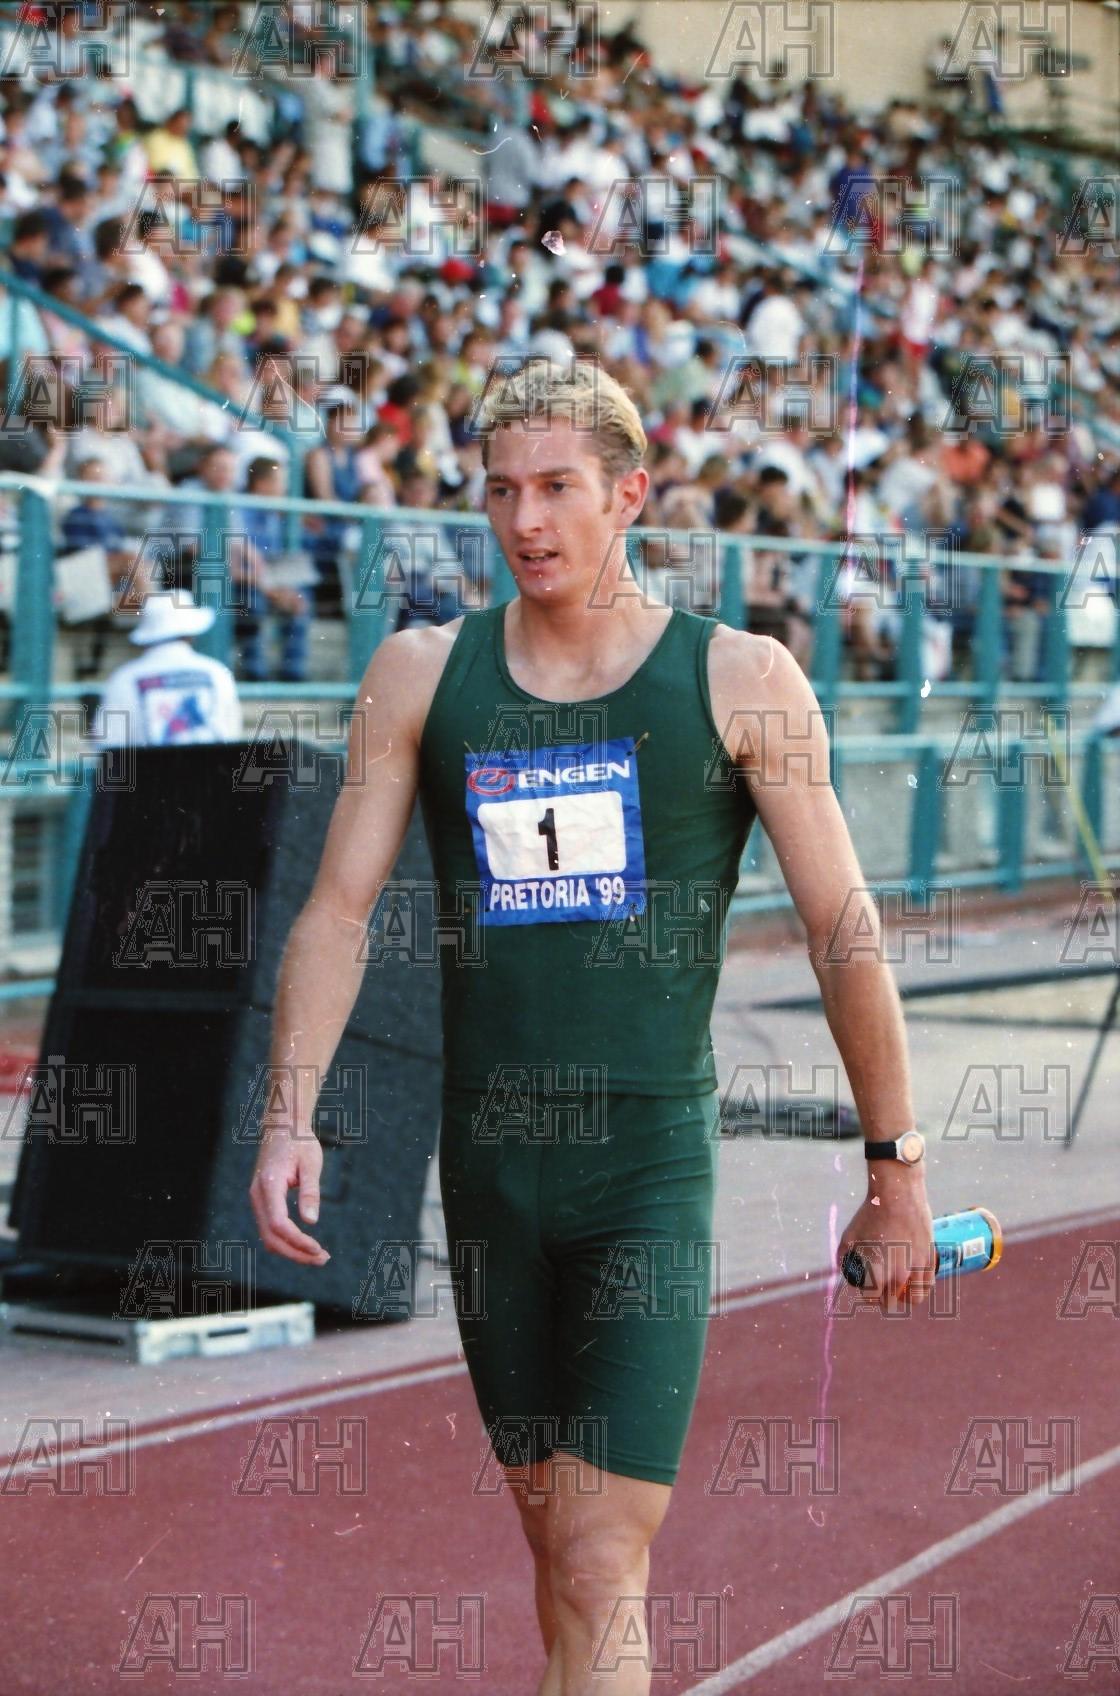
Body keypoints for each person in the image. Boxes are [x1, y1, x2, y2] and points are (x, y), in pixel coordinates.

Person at [249, 363, 936, 1695]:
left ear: (629, 495)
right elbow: (335, 912)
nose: (526, 520)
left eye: (559, 487)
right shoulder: (420, 673)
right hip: (490, 1170)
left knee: (598, 1555)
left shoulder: (740, 678)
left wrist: (894, 1165)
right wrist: (289, 1114)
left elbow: (844, 931)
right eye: (501, 491)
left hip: (643, 1171)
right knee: (555, 1553)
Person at [89, 592, 241, 748]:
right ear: (191, 634)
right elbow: (230, 737)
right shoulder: (217, 673)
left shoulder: (123, 679)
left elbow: (107, 746)